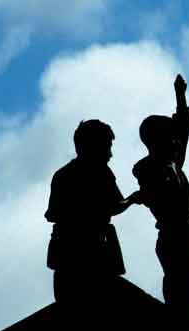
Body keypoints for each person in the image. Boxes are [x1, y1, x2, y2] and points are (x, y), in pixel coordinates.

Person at [133, 74, 189, 326]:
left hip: (184, 235)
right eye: (170, 138)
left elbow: (183, 128)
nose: (176, 140)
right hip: (174, 235)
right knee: (180, 291)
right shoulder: (150, 170)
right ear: (156, 141)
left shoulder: (172, 162)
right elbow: (171, 211)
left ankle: (188, 328)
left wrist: (180, 95)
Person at [45, 119, 141, 304]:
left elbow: (52, 213)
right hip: (91, 250)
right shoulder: (101, 173)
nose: (110, 154)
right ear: (92, 146)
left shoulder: (63, 174)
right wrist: (133, 199)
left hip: (69, 253)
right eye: (106, 147)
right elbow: (115, 206)